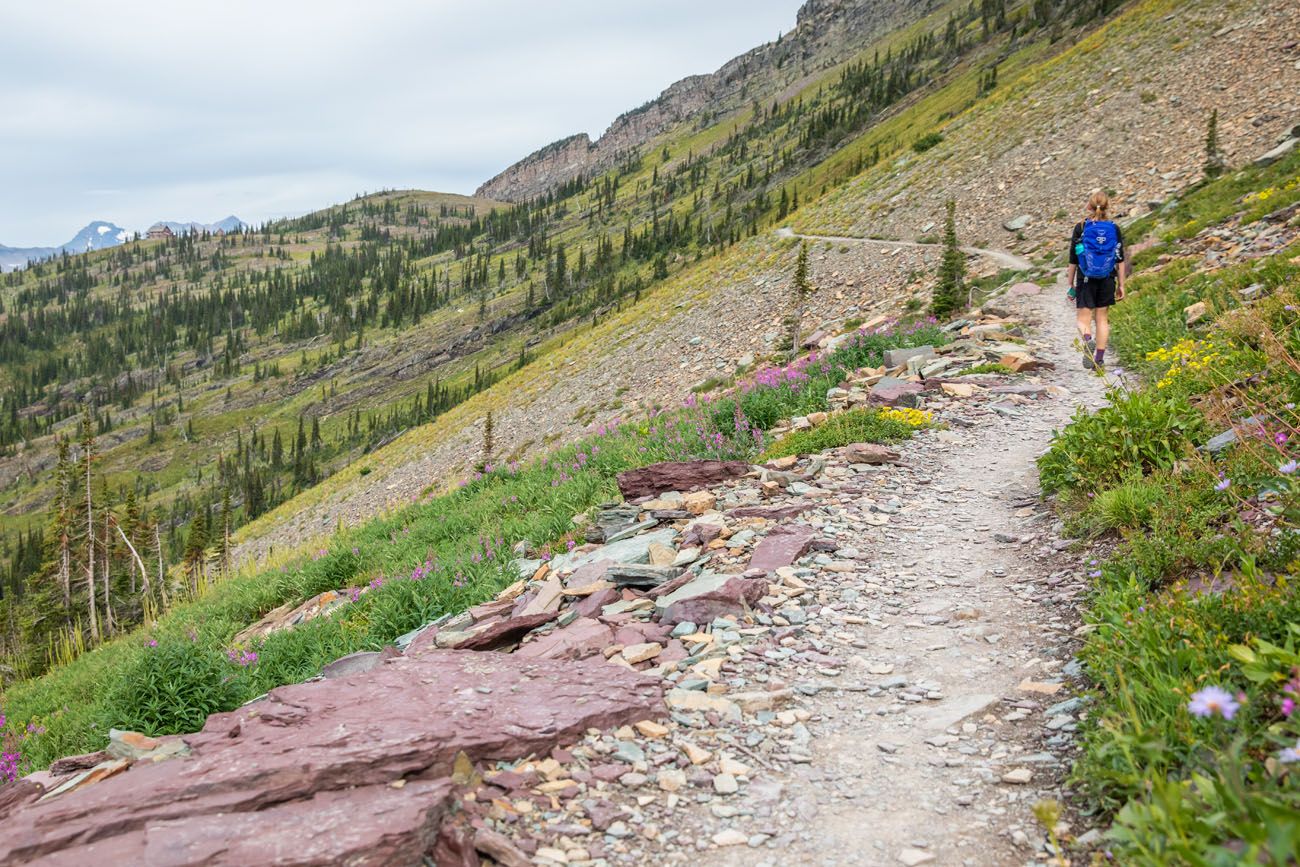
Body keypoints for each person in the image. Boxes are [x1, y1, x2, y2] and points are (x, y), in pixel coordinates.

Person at [1067, 191, 1125, 370]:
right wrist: (1122, 285)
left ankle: (1087, 339)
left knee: (1083, 319)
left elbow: (1073, 259)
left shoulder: (1082, 227)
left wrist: (1070, 284)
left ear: (1088, 206)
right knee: (1102, 319)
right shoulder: (1114, 228)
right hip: (1107, 277)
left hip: (1086, 278)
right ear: (1107, 207)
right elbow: (1120, 259)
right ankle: (1099, 359)